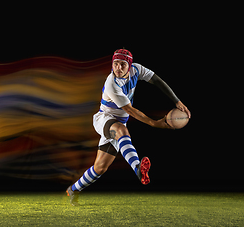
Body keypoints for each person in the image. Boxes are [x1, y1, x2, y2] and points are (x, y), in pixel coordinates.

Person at [66, 49, 191, 206]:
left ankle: (73, 189)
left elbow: (157, 80)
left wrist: (177, 101)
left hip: (118, 123)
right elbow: (130, 110)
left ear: (130, 66)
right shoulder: (111, 83)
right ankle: (138, 169)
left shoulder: (137, 70)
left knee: (100, 167)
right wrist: (154, 123)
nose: (118, 68)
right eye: (115, 63)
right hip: (104, 119)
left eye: (122, 64)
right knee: (121, 130)